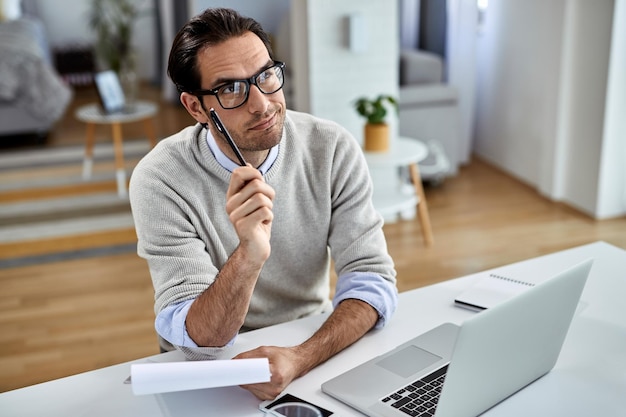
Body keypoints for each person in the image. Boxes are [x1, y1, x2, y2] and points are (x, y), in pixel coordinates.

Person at [129, 7, 397, 400]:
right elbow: (201, 342)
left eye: (265, 76)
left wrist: (300, 357)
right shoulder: (160, 179)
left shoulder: (332, 147)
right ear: (196, 108)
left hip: (310, 343)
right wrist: (249, 254)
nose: (261, 103)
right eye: (231, 89)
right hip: (207, 369)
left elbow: (372, 281)